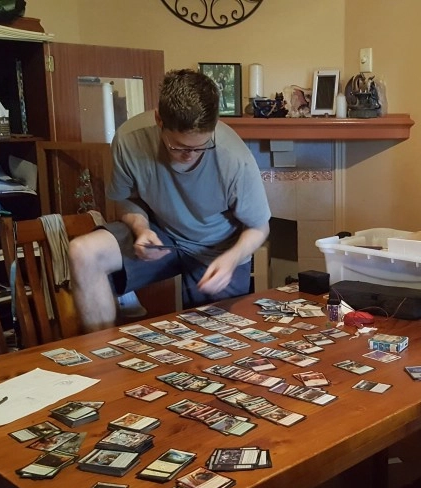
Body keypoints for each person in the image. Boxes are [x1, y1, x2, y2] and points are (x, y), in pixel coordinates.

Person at [69, 69, 271, 332]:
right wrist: (141, 229)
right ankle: (104, 353)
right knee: (82, 252)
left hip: (218, 248)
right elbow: (126, 199)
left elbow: (259, 227)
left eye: (200, 147)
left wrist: (232, 258)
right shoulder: (129, 140)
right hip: (160, 233)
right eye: (179, 146)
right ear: (159, 120)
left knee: (218, 338)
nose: (190, 155)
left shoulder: (235, 158)